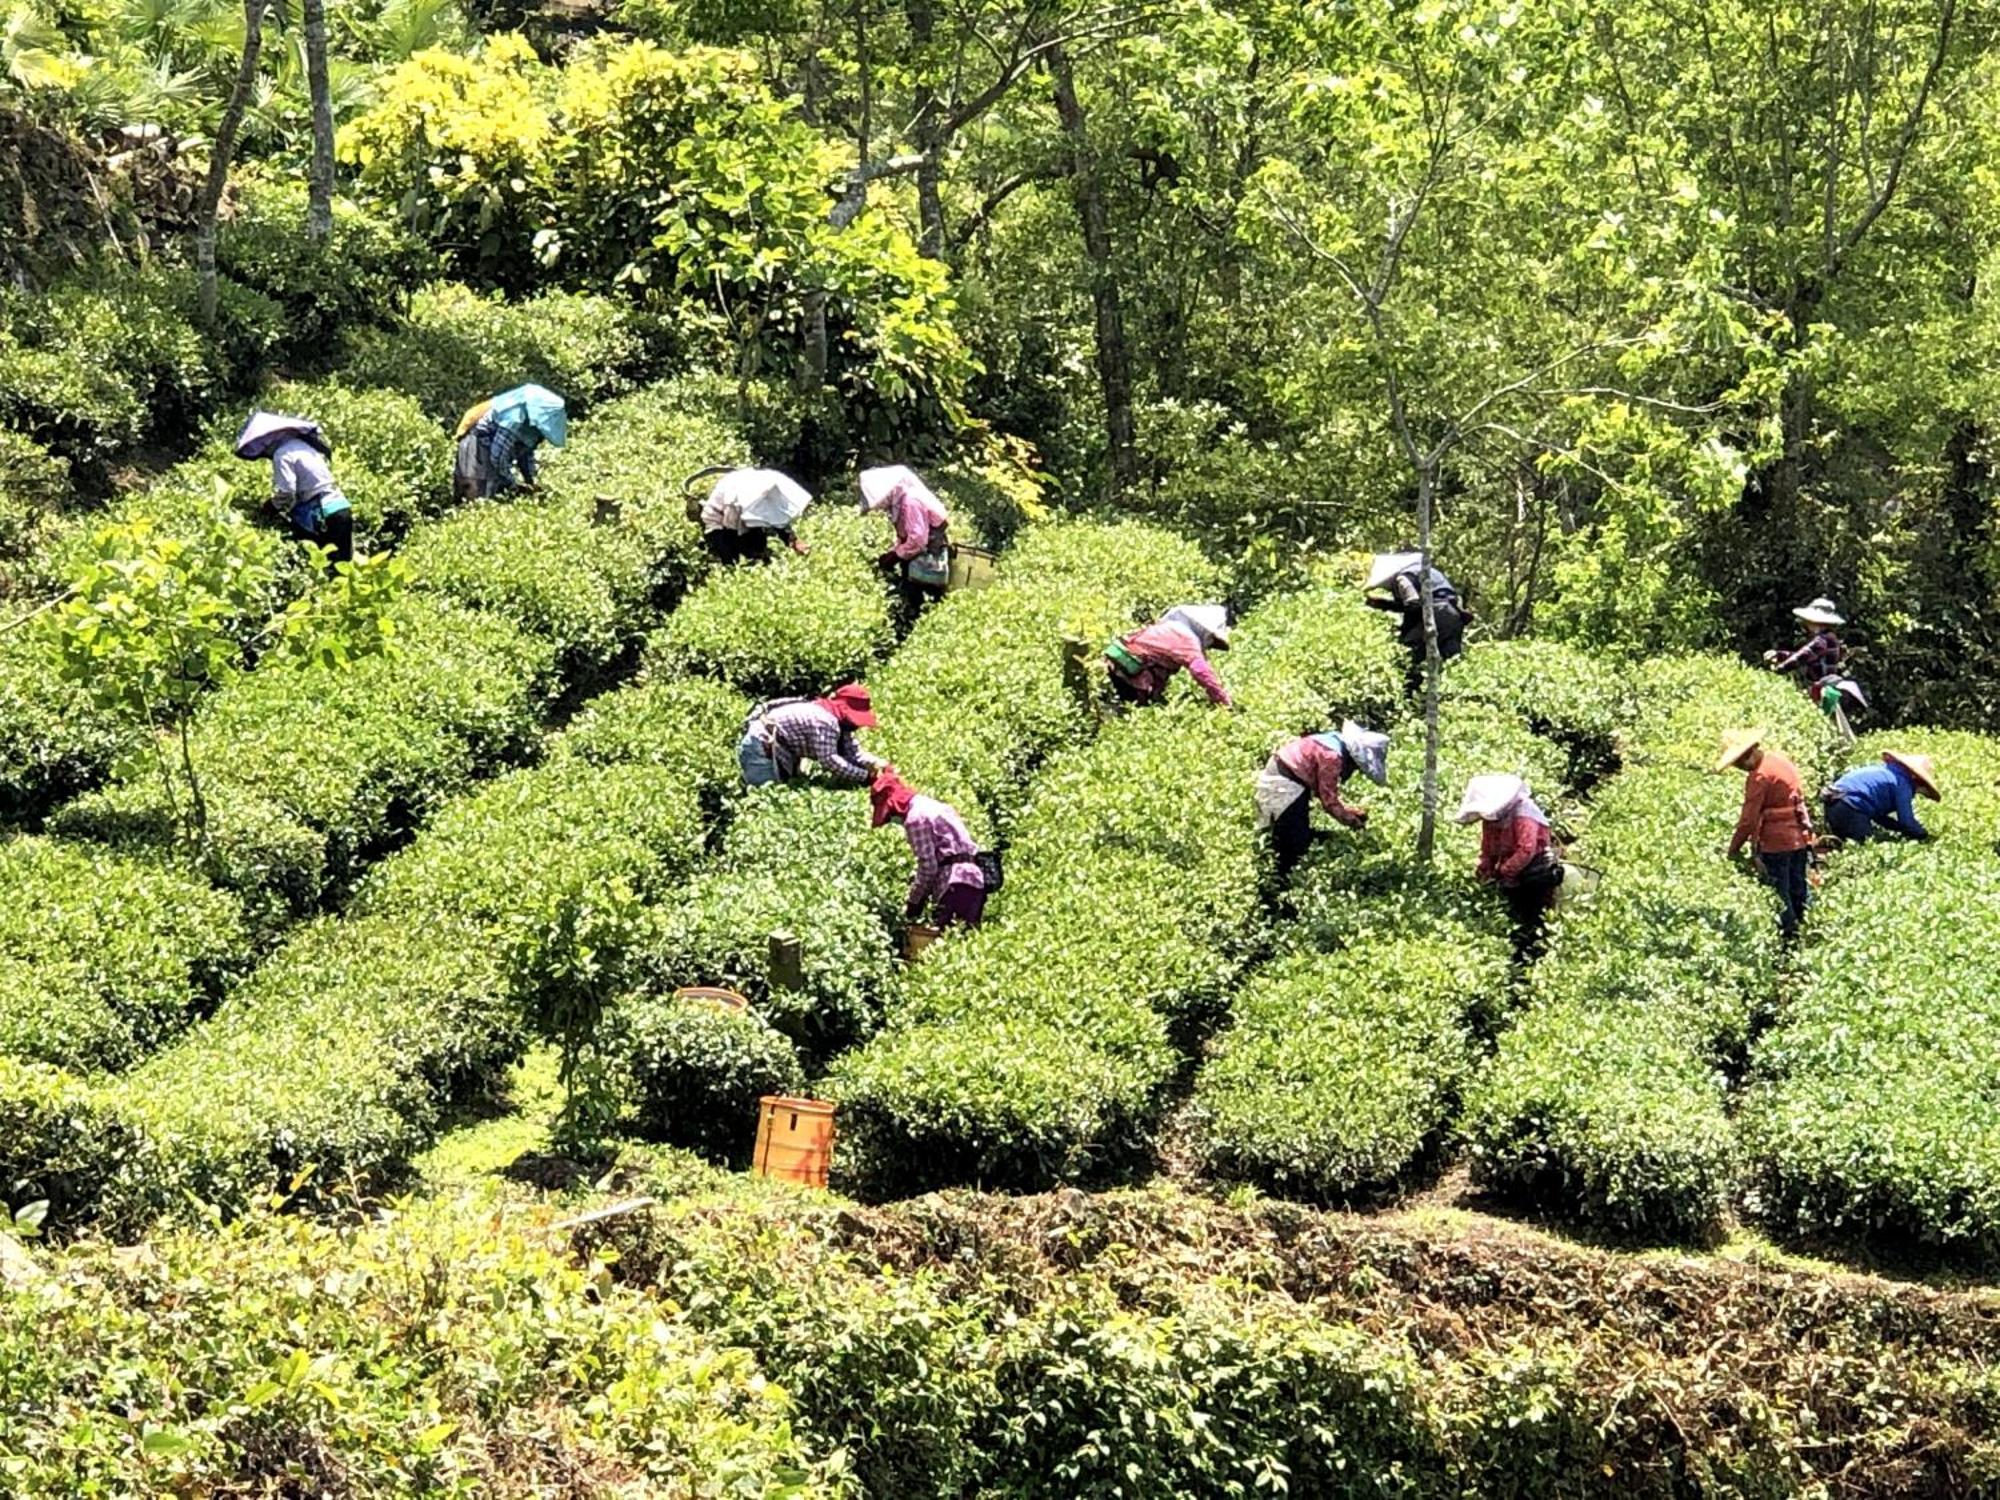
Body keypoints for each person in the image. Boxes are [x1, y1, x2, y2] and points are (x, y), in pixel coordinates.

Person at [1254, 720, 1390, 879]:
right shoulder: (1333, 757)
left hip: (1284, 776)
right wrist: (1354, 823)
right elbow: (1328, 802)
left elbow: (1323, 790)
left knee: (1284, 836)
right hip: (1284, 784)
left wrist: (1348, 811)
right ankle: (1279, 884)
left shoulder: (1332, 739)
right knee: (1293, 844)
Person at [1717, 729, 1815, 943]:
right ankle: (1810, 928)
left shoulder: (1759, 776)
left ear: (1748, 754)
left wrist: (1733, 850)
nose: (1740, 768)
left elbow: (1748, 821)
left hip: (1776, 842)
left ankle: (1790, 939)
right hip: (1798, 836)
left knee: (1780, 893)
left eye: (1739, 763)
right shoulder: (1778, 760)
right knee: (1799, 886)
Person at [1458, 773, 1564, 964]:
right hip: (1512, 875)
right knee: (1511, 917)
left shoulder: (1524, 813)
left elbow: (1527, 849)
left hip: (1535, 874)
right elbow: (1488, 849)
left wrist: (1504, 872)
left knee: (1534, 917)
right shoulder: (1491, 819)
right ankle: (1515, 953)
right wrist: (1484, 872)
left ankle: (1534, 956)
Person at [871, 769, 989, 931]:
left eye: (889, 816)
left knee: (942, 940)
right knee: (966, 938)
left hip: (952, 884)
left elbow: (928, 867)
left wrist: (914, 903)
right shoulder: (935, 806)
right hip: (975, 879)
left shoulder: (915, 818)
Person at [233, 411, 353, 566]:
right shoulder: (302, 445)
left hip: (324, 515)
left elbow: (287, 493)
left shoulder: (282, 454)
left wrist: (268, 508)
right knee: (343, 566)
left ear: (266, 443)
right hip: (342, 506)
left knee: (321, 565)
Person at [738, 683, 882, 788]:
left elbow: (854, 752)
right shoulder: (826, 721)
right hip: (760, 748)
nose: (857, 725)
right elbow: (830, 760)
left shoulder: (838, 722)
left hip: (776, 748)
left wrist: (878, 763)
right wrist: (864, 777)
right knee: (766, 796)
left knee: (782, 791)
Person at [1365, 552, 1468, 694]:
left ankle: (1409, 697)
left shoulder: (1403, 578)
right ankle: (1451, 697)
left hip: (1435, 614)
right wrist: (1383, 604)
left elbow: (1413, 604)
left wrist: (1402, 631)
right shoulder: (1426, 571)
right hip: (1454, 616)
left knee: (1409, 655)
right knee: (1450, 661)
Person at [859, 464, 951, 611]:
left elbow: (918, 540)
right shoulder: (902, 500)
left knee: (923, 600)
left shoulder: (910, 501)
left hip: (929, 554)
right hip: (923, 550)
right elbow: (906, 535)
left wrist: (895, 556)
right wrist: (894, 552)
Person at [453, 384, 567, 501]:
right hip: (477, 448)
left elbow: (526, 455)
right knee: (475, 498)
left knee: (494, 495)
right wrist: (512, 483)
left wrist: (531, 481)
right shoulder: (514, 416)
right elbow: (497, 457)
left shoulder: (533, 429)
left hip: (492, 454)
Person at [1104, 604, 1232, 708]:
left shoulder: (1169, 628)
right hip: (1131, 675)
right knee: (1129, 709)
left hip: (1113, 664)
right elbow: (1201, 671)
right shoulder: (1187, 640)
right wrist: (1223, 702)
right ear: (1206, 632)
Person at [699, 467, 813, 565]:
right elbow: (732, 531)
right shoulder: (736, 500)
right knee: (731, 559)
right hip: (721, 523)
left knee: (759, 546)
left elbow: (777, 518)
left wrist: (793, 540)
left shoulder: (764, 485)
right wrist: (752, 553)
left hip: (741, 520)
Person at [1822, 750, 1939, 844]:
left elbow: (1878, 816)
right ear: (1916, 779)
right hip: (1851, 806)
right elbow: (1906, 821)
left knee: (1846, 845)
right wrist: (1924, 836)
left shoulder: (1886, 773)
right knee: (1863, 848)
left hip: (1833, 802)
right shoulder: (1903, 784)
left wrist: (1897, 828)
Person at [1766, 598, 1846, 689]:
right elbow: (1803, 655)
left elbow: (1802, 656)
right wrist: (1779, 655)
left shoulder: (1822, 640)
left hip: (1822, 685)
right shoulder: (1829, 637)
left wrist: (1779, 669)